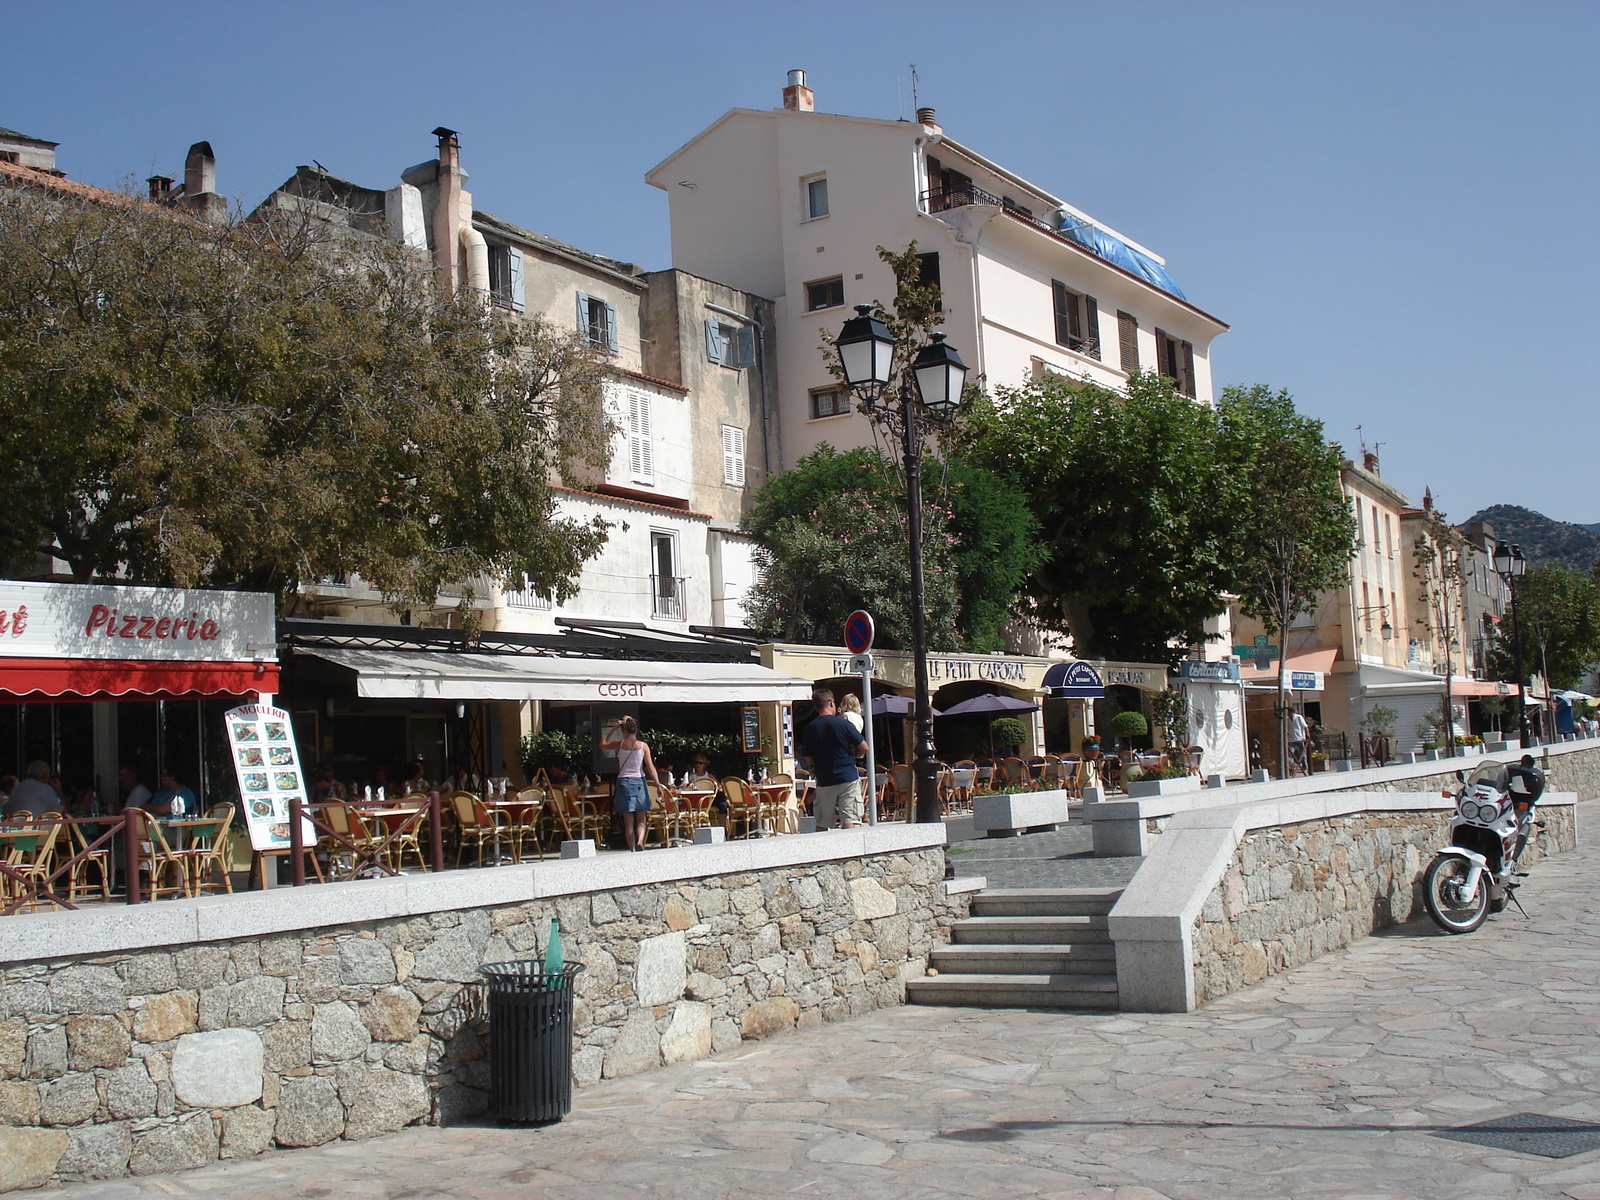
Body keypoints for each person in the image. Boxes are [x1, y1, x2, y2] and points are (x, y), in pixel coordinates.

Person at [800, 689, 868, 830]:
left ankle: (823, 851)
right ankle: (851, 850)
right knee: (849, 819)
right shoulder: (843, 724)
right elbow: (864, 747)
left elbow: (808, 759)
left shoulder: (810, 728)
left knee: (822, 823)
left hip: (825, 779)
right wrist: (853, 755)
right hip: (847, 776)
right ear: (831, 703)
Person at [613, 717, 661, 852]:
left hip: (623, 781)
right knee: (641, 819)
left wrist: (613, 728)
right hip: (639, 780)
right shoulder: (643, 746)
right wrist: (657, 785)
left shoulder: (620, 744)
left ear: (624, 731)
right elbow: (650, 766)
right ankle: (640, 841)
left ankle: (632, 849)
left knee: (628, 821)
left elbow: (602, 743)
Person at [1289, 710, 1310, 775]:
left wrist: (1307, 734)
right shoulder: (1287, 719)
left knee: (1302, 753)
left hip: (1300, 738)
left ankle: (1305, 767)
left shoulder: (1299, 717)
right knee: (1291, 753)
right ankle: (1291, 768)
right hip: (1291, 738)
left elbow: (1305, 726)